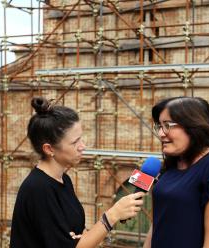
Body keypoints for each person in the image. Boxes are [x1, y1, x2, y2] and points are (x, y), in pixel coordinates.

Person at [10, 97, 144, 248]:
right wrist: (112, 215)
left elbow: (76, 237)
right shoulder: (38, 188)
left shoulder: (63, 180)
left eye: (81, 139)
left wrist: (78, 238)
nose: (83, 146)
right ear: (49, 149)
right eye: (75, 142)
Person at [143, 96, 209, 248]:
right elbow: (158, 223)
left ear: (193, 125)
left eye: (168, 125)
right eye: (159, 126)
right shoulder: (172, 163)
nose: (161, 133)